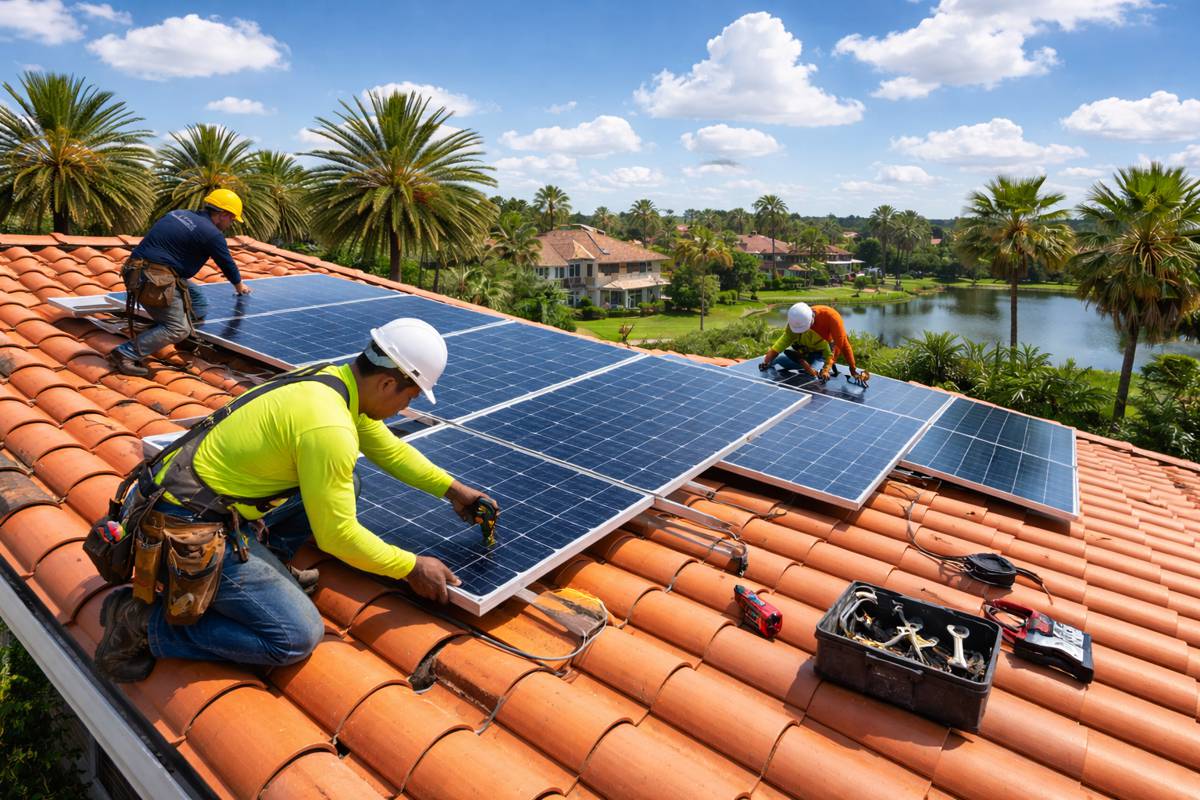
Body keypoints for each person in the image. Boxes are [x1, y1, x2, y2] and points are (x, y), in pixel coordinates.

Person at [94, 318, 494, 683]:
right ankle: (141, 624)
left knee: (347, 481)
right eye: (410, 398)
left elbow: (387, 449)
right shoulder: (328, 427)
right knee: (294, 636)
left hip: (182, 497)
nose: (405, 409)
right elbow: (337, 536)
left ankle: (270, 563)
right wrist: (411, 566)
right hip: (183, 528)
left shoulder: (330, 379)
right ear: (389, 384)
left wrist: (453, 490)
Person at [110, 189, 253, 377]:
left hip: (138, 269)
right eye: (232, 219)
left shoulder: (178, 214)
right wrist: (239, 286)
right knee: (178, 328)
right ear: (223, 214)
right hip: (153, 280)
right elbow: (227, 264)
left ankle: (168, 334)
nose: (231, 224)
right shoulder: (212, 234)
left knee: (198, 303)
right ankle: (125, 353)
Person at [760, 302, 860, 380]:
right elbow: (783, 341)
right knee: (778, 360)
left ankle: (812, 366)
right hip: (807, 351)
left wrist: (852, 369)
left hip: (825, 352)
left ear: (811, 320)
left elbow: (843, 345)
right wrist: (767, 360)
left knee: (814, 374)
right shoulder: (797, 319)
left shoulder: (831, 317)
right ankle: (805, 363)